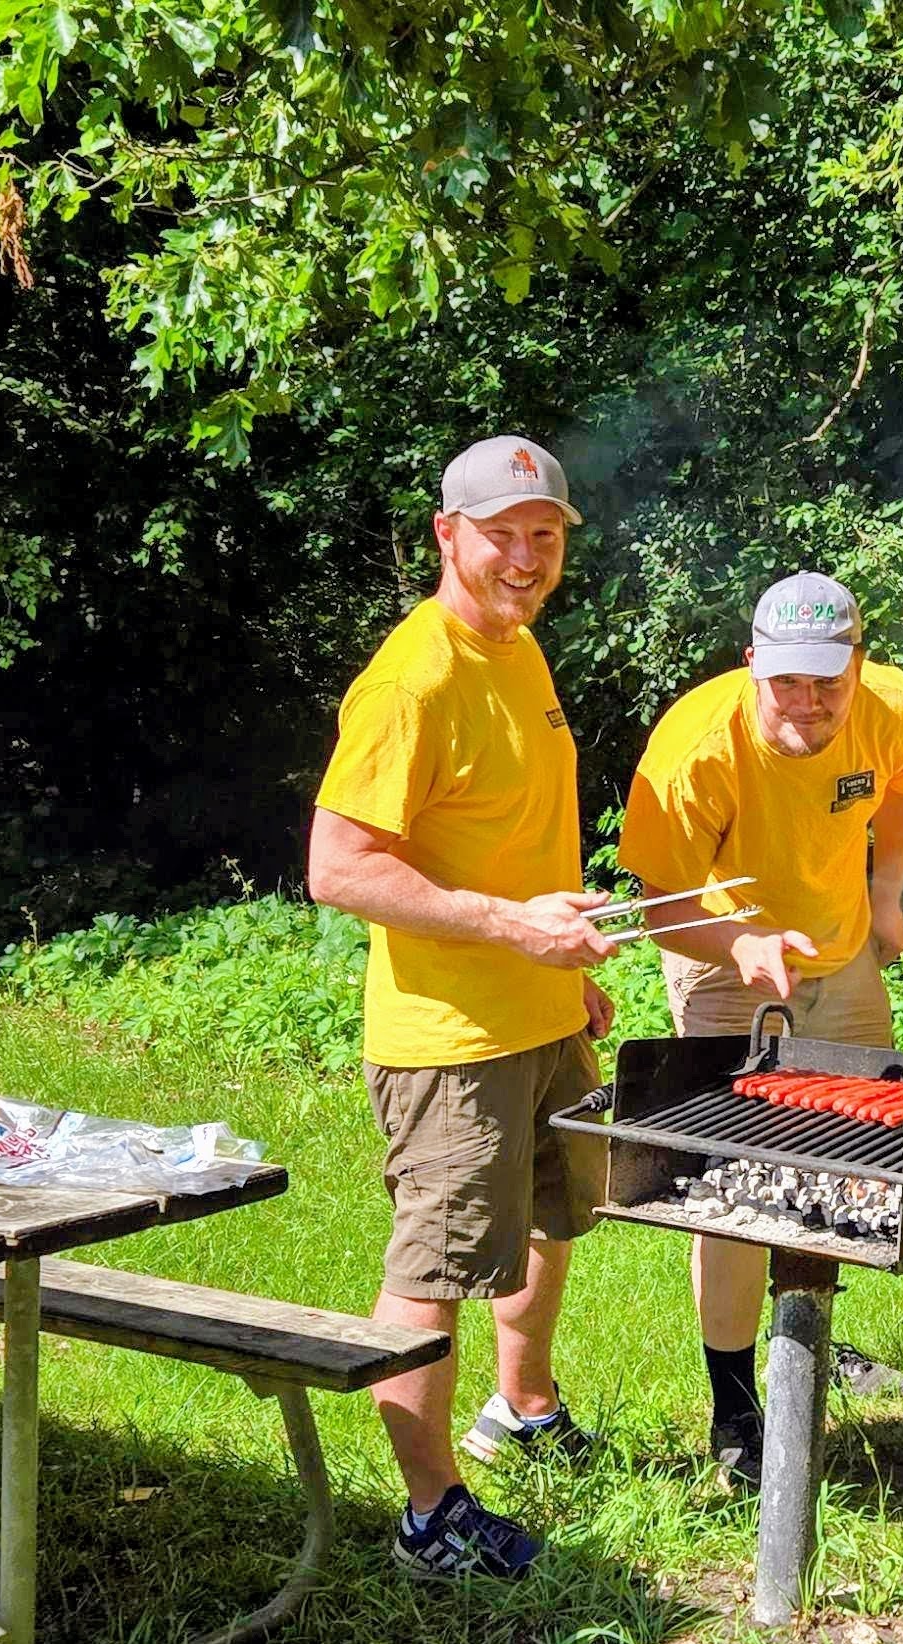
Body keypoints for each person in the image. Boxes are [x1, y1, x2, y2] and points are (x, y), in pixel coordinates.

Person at [306, 434, 618, 1580]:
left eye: (544, 536)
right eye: (501, 535)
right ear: (448, 535)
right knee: (433, 1270)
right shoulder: (413, 680)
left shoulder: (519, 650)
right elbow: (338, 870)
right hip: (449, 1042)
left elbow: (510, 843)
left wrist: (563, 969)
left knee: (550, 1220)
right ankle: (429, 1512)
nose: (526, 558)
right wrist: (514, 930)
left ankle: (523, 1406)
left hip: (541, 1016)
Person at [615, 571, 903, 1481]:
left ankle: (806, 1341)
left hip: (841, 952)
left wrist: (885, 893)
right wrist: (742, 942)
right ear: (752, 663)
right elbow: (660, 909)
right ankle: (735, 1407)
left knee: (844, 1159)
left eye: (827, 682)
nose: (807, 702)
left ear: (858, 666)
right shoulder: (695, 751)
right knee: (735, 1182)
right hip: (724, 958)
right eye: (785, 681)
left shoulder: (892, 707)